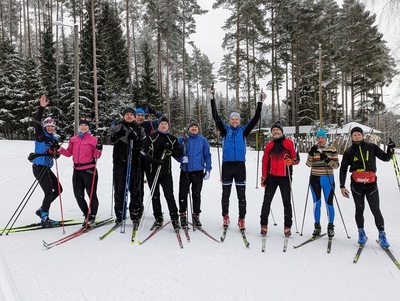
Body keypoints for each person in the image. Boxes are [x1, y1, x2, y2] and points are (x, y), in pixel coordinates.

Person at [210, 93, 262, 230]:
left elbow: (255, 119)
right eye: (232, 119)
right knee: (225, 194)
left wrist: (260, 103)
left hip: (240, 166)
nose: (234, 121)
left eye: (236, 119)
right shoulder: (225, 131)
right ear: (230, 121)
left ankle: (241, 219)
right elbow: (216, 117)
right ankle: (225, 216)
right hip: (227, 166)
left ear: (239, 121)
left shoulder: (243, 131)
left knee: (241, 195)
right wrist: (212, 99)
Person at [339, 127, 395, 247]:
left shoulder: (371, 147)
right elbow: (343, 169)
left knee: (376, 210)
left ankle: (382, 235)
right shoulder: (349, 151)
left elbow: (386, 158)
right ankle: (361, 233)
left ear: (362, 135)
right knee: (359, 209)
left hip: (371, 185)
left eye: (359, 134)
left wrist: (390, 149)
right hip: (356, 185)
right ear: (351, 137)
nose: (357, 137)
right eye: (354, 135)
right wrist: (342, 186)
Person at [59, 118, 103, 228]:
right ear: (79, 126)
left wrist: (99, 149)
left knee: (91, 194)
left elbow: (96, 156)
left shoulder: (93, 139)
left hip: (89, 170)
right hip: (77, 171)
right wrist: (59, 149)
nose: (83, 127)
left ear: (89, 127)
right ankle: (87, 215)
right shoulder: (74, 139)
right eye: (82, 125)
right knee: (78, 196)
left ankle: (92, 217)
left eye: (86, 126)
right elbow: (69, 153)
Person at [141, 116, 182, 230]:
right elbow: (143, 152)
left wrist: (170, 150)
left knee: (169, 196)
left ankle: (175, 219)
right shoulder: (151, 137)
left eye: (165, 123)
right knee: (155, 196)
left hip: (166, 173)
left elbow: (179, 154)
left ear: (168, 126)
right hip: (152, 171)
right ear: (158, 125)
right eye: (161, 123)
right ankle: (158, 218)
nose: (163, 125)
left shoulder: (172, 139)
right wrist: (155, 161)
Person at [107, 107, 145, 227]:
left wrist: (138, 141)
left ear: (134, 117)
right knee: (119, 189)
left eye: (131, 114)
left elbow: (144, 144)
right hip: (120, 163)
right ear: (124, 116)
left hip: (134, 163)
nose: (129, 116)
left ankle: (135, 215)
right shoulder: (116, 126)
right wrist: (117, 135)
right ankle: (120, 214)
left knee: (135, 190)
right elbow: (108, 140)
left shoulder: (139, 128)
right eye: (127, 114)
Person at [260, 122, 298, 237]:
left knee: (286, 202)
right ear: (271, 133)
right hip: (272, 177)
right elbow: (265, 162)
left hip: (285, 177)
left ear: (282, 131)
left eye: (277, 130)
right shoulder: (269, 145)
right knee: (267, 201)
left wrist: (291, 161)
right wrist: (263, 177)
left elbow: (297, 158)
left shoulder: (289, 143)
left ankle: (287, 226)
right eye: (273, 130)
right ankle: (263, 225)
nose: (275, 132)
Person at [31, 95, 63, 228]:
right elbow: (37, 122)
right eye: (48, 126)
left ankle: (41, 210)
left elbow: (56, 155)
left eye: (52, 126)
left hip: (47, 167)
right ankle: (44, 218)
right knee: (49, 192)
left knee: (59, 189)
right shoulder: (41, 135)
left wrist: (55, 153)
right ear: (45, 127)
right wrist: (41, 108)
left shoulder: (54, 138)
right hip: (39, 167)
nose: (50, 128)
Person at [177, 120, 212, 229]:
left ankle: (196, 215)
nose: (194, 129)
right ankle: (182, 214)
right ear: (188, 128)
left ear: (198, 129)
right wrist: (181, 159)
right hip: (185, 170)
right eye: (191, 127)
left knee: (196, 194)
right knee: (183, 193)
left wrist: (208, 169)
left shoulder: (203, 140)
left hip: (198, 171)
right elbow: (176, 152)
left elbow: (207, 155)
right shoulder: (182, 139)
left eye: (195, 127)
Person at [306, 128, 339, 238]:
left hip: (328, 179)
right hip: (315, 178)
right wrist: (311, 153)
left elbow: (336, 165)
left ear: (326, 139)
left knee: (329, 203)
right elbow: (308, 164)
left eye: (322, 138)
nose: (320, 140)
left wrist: (326, 159)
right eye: (319, 138)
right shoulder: (314, 149)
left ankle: (330, 226)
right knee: (317, 203)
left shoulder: (332, 149)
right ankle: (317, 226)